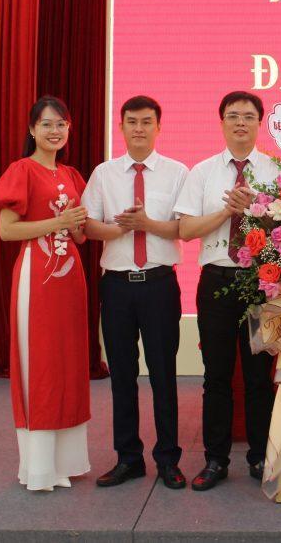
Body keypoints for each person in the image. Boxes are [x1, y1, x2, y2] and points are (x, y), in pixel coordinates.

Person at [174, 90, 281, 491]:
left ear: (259, 123)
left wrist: (256, 211)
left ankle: (260, 457)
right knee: (216, 376)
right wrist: (227, 211)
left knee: (259, 376)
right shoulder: (202, 172)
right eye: (233, 115)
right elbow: (186, 230)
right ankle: (216, 460)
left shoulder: (277, 172)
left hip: (261, 283)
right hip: (217, 282)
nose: (240, 122)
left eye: (248, 116)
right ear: (221, 122)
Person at [82, 95, 189, 490]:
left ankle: (168, 460)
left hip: (159, 285)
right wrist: (121, 229)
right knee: (122, 376)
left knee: (163, 374)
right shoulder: (104, 173)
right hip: (116, 286)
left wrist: (147, 224)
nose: (139, 128)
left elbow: (184, 228)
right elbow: (87, 226)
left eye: (146, 121)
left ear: (159, 127)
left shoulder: (177, 173)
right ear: (122, 127)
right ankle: (128, 459)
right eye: (132, 121)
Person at [0, 95, 91, 492]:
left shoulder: (72, 174)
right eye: (46, 124)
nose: (54, 131)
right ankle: (39, 468)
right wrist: (57, 221)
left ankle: (64, 463)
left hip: (70, 280)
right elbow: (6, 231)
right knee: (41, 364)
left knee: (68, 365)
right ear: (32, 130)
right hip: (37, 277)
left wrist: (75, 225)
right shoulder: (22, 170)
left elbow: (79, 237)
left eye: (61, 124)